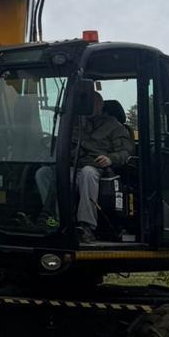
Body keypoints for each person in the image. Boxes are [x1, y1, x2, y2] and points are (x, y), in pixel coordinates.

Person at [37, 89, 135, 241]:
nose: (88, 106)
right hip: (72, 167)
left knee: (87, 173)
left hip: (98, 170)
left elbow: (126, 152)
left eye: (93, 103)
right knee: (44, 173)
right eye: (85, 103)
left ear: (101, 105)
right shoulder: (73, 123)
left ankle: (86, 226)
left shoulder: (114, 126)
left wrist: (110, 158)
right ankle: (54, 219)